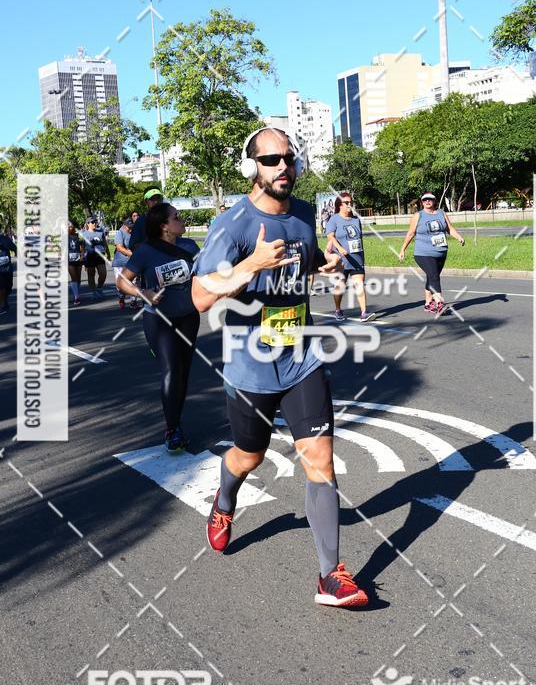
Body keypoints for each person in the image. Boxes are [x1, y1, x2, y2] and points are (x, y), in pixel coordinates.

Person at [192, 126, 368, 609]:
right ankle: (225, 500)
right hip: (251, 369)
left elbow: (300, 261)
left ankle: (330, 576)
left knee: (321, 462)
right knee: (248, 456)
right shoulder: (232, 225)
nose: (282, 167)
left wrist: (321, 265)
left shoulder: (306, 214)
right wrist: (250, 265)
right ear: (251, 167)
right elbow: (200, 296)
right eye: (270, 160)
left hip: (301, 358)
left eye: (288, 158)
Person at [117, 204, 200, 453]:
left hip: (188, 318)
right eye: (176, 217)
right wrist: (143, 292)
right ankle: (172, 429)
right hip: (158, 320)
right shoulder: (146, 251)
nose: (181, 219)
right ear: (164, 225)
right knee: (171, 370)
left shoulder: (190, 247)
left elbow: (204, 275)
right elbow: (122, 281)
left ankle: (176, 420)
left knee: (183, 373)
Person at [399, 192, 465, 314]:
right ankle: (439, 303)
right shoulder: (418, 215)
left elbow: (449, 228)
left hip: (441, 252)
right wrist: (403, 249)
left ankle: (428, 304)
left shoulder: (441, 213)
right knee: (434, 276)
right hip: (423, 253)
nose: (427, 202)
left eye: (430, 199)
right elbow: (411, 233)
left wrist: (458, 237)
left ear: (434, 201)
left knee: (432, 277)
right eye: (425, 200)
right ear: (422, 202)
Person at [326, 192, 375, 322]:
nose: (349, 205)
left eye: (351, 203)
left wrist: (362, 255)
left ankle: (364, 312)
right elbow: (330, 236)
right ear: (340, 205)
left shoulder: (356, 220)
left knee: (359, 284)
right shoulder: (334, 219)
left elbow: (359, 238)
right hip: (341, 260)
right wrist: (340, 248)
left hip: (356, 258)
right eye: (346, 203)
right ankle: (338, 309)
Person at [112, 217, 138, 310]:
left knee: (134, 281)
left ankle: (133, 301)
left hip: (132, 262)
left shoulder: (134, 233)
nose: (130, 229)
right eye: (129, 227)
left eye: (132, 227)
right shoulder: (120, 233)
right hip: (120, 262)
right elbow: (119, 247)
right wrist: (131, 254)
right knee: (121, 283)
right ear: (124, 226)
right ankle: (121, 298)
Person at [81, 216, 109, 300]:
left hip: (100, 255)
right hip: (90, 255)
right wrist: (82, 256)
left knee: (103, 273)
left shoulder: (100, 232)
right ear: (88, 224)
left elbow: (105, 243)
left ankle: (99, 288)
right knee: (91, 274)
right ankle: (93, 292)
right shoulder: (84, 233)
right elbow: (82, 246)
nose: (94, 224)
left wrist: (108, 253)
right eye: (92, 222)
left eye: (95, 222)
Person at [129, 187, 163, 251]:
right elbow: (133, 245)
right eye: (152, 199)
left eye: (158, 198)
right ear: (146, 201)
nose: (156, 201)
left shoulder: (170, 218)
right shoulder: (141, 221)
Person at [67, 221, 85, 306]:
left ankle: (76, 293)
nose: (69, 228)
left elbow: (83, 248)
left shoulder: (79, 236)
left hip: (78, 259)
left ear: (74, 227)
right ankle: (76, 297)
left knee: (78, 279)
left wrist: (82, 255)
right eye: (68, 226)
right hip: (69, 260)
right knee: (74, 277)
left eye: (70, 226)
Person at [0, 228, 17, 315]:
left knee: (8, 287)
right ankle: (2, 306)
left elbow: (14, 248)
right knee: (1, 288)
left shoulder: (6, 239)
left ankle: (4, 301)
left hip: (7, 268)